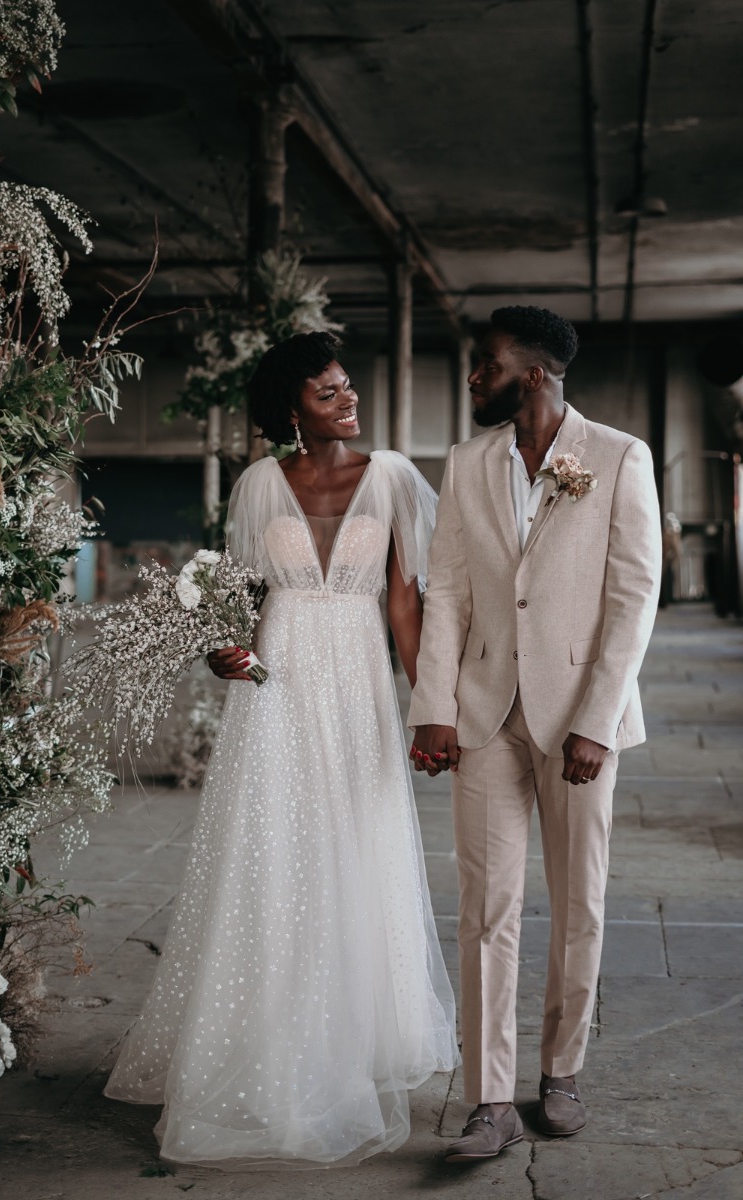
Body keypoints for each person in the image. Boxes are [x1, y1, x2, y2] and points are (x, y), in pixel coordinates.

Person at [105, 331, 459, 1167]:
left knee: (355, 847)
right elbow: (237, 601)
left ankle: (352, 1039)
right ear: (293, 407)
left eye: (348, 385)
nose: (348, 400)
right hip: (280, 685)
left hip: (361, 690)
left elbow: (405, 605)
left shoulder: (396, 475)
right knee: (273, 855)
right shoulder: (260, 484)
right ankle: (268, 1040)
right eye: (329, 392)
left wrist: (430, 709)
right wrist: (223, 649)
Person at [409, 306, 661, 1163]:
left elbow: (633, 601)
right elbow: (445, 590)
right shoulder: (467, 461)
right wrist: (433, 704)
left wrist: (596, 721)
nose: (475, 378)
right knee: (486, 909)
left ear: (537, 374)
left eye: (487, 365)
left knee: (578, 900)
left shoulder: (620, 457)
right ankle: (489, 1099)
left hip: (578, 721)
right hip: (484, 714)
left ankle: (561, 1073)